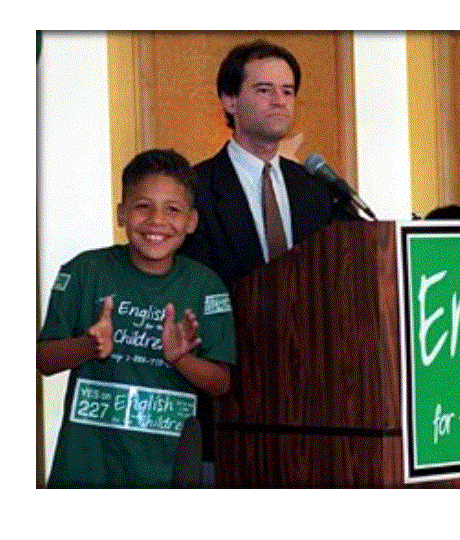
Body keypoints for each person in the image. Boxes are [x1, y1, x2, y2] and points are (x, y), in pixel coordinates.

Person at [179, 40, 343, 484]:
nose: (279, 100)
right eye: (265, 89)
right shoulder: (195, 187)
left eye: (288, 91)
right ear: (230, 101)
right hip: (228, 399)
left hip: (311, 403)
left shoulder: (314, 189)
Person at [37, 149, 235, 487]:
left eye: (172, 209)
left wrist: (181, 359)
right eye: (143, 206)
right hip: (86, 470)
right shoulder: (84, 271)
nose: (157, 220)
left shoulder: (206, 286)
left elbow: (221, 383)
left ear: (191, 221)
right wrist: (89, 346)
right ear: (121, 214)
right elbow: (43, 360)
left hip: (166, 472)